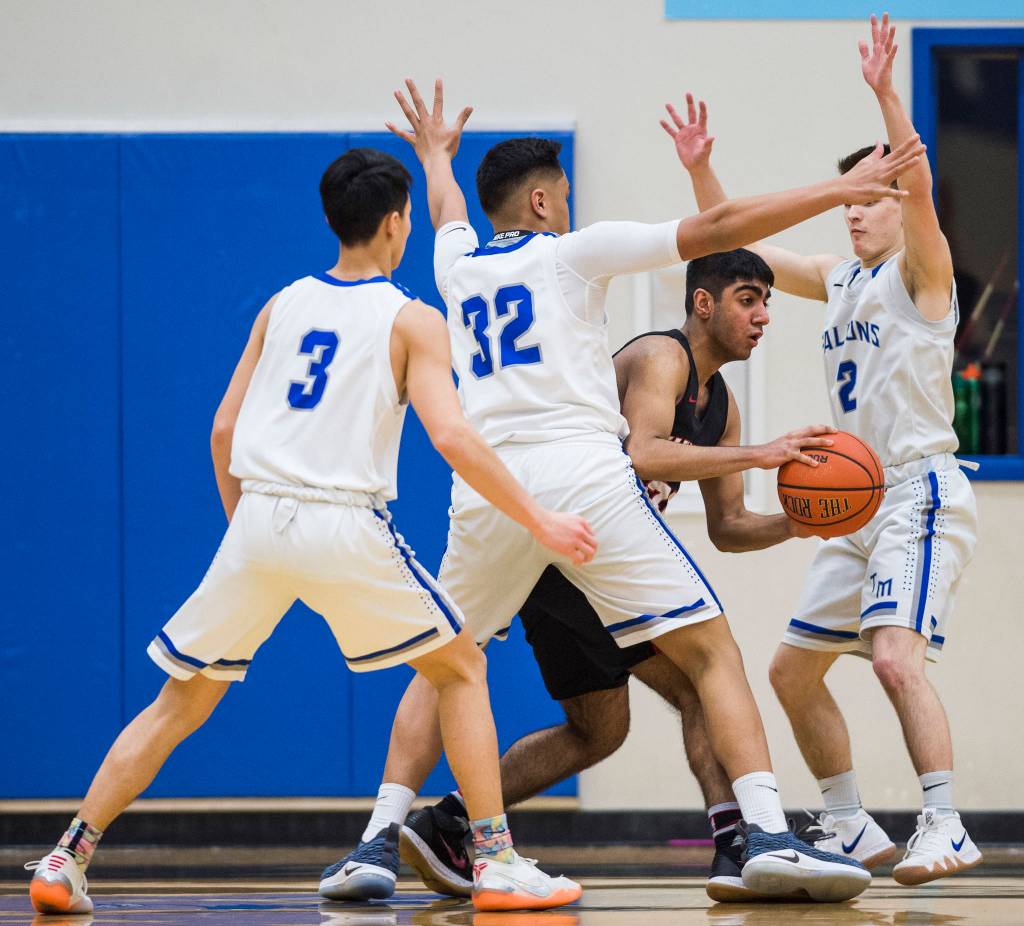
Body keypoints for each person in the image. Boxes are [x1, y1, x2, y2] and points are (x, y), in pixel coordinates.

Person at [320, 78, 923, 904]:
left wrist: (433, 156)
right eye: (561, 197)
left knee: (447, 664)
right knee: (711, 652)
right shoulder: (571, 252)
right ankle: (767, 835)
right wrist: (836, 190)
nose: (567, 208)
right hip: (579, 477)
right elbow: (716, 230)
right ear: (541, 200)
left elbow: (445, 210)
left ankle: (373, 845)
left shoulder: (454, 261)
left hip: (490, 491)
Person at [25, 147, 597, 916]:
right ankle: (495, 860)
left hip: (257, 519)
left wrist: (254, 546)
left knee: (180, 700)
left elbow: (223, 432)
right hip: (343, 521)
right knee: (459, 668)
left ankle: (68, 857)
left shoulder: (283, 302)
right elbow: (454, 439)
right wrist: (542, 519)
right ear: (398, 224)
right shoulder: (412, 318)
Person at [392, 248, 833, 905]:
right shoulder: (662, 357)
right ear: (704, 304)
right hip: (569, 553)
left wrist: (799, 524)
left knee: (598, 731)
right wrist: (766, 454)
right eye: (749, 298)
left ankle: (447, 820)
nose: (763, 314)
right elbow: (645, 450)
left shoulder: (722, 407)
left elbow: (729, 526)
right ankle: (740, 841)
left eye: (768, 301)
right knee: (699, 678)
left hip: (576, 568)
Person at [674, 15, 981, 886]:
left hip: (920, 491)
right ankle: (849, 825)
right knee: (791, 672)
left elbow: (916, 183)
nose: (852, 212)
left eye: (868, 198)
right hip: (859, 502)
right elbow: (743, 247)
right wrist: (703, 168)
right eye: (845, 200)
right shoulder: (839, 278)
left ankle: (944, 821)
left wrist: (886, 97)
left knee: (891, 657)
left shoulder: (924, 274)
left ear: (899, 204)